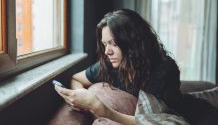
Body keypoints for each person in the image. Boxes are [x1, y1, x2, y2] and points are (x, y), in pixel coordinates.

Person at [54, 9, 218, 125]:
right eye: (104, 44)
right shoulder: (110, 65)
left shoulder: (164, 69)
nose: (107, 52)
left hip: (193, 116)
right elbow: (76, 78)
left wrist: (102, 109)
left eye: (113, 44)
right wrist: (79, 94)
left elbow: (154, 120)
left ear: (133, 43)